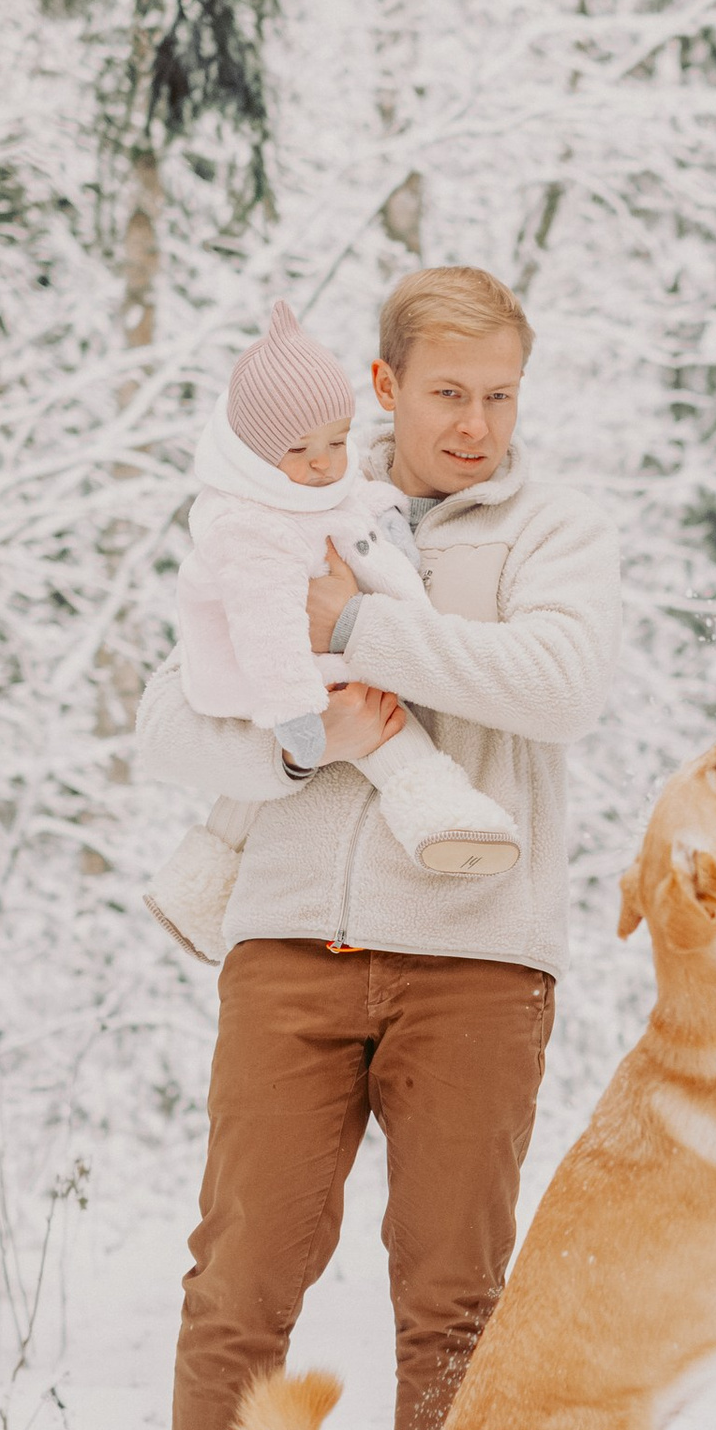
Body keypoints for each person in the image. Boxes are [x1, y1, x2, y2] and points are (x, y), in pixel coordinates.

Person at [135, 263, 621, 1430]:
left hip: (476, 962)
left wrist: (354, 623)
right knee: (240, 1278)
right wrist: (301, 740)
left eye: (502, 396)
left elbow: (561, 684)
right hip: (286, 946)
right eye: (450, 395)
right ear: (385, 392)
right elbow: (177, 719)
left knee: (454, 1295)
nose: (477, 425)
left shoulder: (554, 529)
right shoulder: (276, 513)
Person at [144, 296, 519, 958]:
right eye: (299, 449)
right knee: (382, 727)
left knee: (262, 786)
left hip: (297, 664)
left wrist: (387, 512)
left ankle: (194, 887)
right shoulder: (251, 531)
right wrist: (298, 724)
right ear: (256, 455)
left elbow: (351, 501)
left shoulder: (312, 487)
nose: (323, 463)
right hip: (272, 671)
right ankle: (441, 813)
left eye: (338, 443)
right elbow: (265, 632)